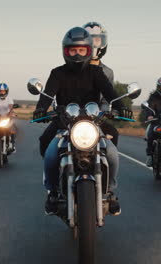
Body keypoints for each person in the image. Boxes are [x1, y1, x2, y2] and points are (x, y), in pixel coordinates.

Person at [33, 27, 132, 215]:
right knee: (50, 152)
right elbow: (47, 94)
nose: (77, 54)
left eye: (81, 50)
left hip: (93, 122)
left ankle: (109, 192)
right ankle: (52, 192)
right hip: (65, 121)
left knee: (111, 153)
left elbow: (110, 92)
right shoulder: (57, 73)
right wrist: (40, 109)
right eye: (73, 50)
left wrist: (121, 106)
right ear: (65, 51)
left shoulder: (96, 72)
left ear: (88, 51)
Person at [83, 21, 120, 146]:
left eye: (97, 40)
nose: (93, 44)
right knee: (48, 140)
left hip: (96, 117)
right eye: (89, 40)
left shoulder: (107, 72)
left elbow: (107, 97)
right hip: (73, 116)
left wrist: (110, 111)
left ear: (103, 43)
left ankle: (108, 165)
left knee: (113, 134)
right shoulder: (74, 67)